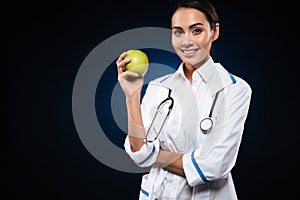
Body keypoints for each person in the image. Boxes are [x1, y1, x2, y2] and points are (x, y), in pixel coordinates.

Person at [116, 0, 252, 199]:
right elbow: (138, 150)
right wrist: (132, 96)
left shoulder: (234, 89)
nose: (186, 41)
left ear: (214, 32)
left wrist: (152, 155)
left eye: (196, 31)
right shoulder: (158, 87)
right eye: (178, 32)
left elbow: (214, 165)